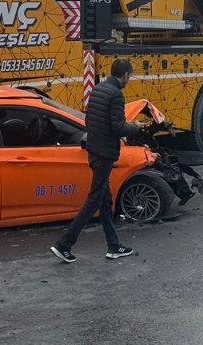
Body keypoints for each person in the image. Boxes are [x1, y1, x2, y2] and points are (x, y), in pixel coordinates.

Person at [51, 59, 140, 263]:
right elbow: (118, 127)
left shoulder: (99, 89)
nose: (129, 79)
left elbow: (90, 120)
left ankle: (113, 246)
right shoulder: (116, 94)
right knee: (93, 200)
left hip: (94, 150)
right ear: (125, 75)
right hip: (104, 153)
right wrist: (135, 127)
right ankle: (64, 244)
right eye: (130, 76)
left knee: (105, 201)